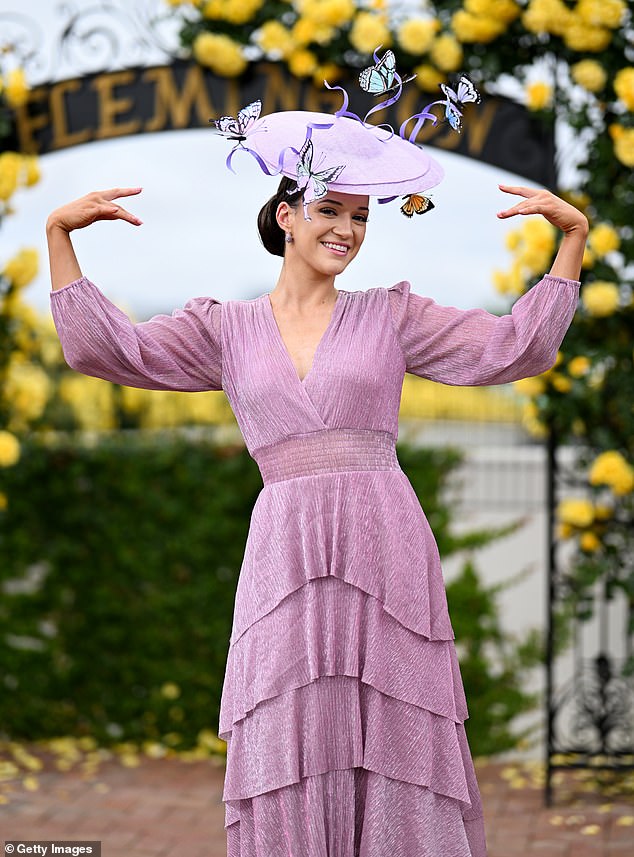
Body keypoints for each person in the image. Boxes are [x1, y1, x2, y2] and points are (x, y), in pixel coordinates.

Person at [46, 74, 587, 857]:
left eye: (361, 216)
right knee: (287, 728)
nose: (347, 229)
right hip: (285, 549)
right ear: (285, 215)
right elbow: (111, 349)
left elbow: (511, 348)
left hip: (385, 540)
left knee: (393, 725)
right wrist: (60, 234)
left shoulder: (392, 313)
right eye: (330, 210)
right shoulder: (224, 329)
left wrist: (571, 241)